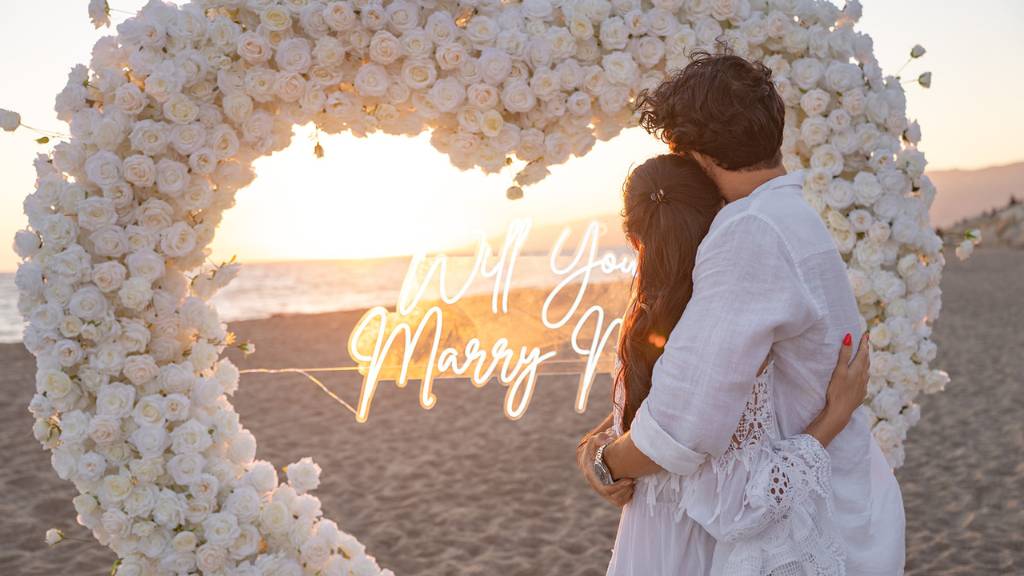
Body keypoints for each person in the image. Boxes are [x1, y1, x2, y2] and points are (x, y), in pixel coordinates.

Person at [578, 53, 906, 575]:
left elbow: (684, 429)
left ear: (695, 151)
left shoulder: (749, 231)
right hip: (839, 496)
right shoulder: (790, 216)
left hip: (795, 526)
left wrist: (603, 461)